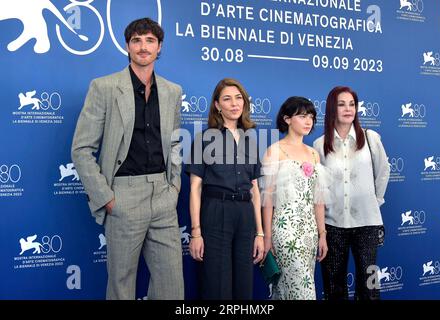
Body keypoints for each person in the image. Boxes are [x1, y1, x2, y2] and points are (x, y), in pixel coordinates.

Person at [71, 18, 184, 300]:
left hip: (163, 195)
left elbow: (175, 144)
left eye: (149, 40)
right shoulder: (104, 87)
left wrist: (174, 188)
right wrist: (106, 197)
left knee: (172, 287)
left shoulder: (172, 91)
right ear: (127, 46)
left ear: (160, 48)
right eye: (136, 40)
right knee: (121, 285)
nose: (143, 47)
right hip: (122, 196)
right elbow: (82, 149)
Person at [185, 78, 264, 300]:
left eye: (239, 98)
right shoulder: (204, 139)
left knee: (244, 286)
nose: (234, 103)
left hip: (245, 215)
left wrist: (259, 232)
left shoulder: (250, 140)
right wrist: (196, 232)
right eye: (227, 99)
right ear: (218, 106)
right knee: (216, 286)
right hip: (216, 212)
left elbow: (255, 190)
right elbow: (194, 188)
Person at [313, 86, 390, 300]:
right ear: (331, 109)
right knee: (333, 286)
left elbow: (383, 171)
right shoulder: (320, 145)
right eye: (341, 104)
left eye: (352, 104)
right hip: (333, 225)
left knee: (370, 286)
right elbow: (319, 186)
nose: (348, 109)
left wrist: (375, 201)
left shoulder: (370, 138)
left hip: (367, 224)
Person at [260, 96, 329, 300]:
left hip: (309, 232)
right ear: (287, 119)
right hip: (285, 232)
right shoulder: (274, 151)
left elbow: (318, 199)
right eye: (302, 116)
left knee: (288, 290)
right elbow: (267, 199)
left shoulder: (314, 154)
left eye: (311, 117)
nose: (308, 121)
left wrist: (322, 234)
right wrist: (267, 237)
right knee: (302, 291)